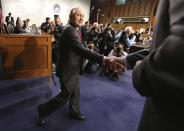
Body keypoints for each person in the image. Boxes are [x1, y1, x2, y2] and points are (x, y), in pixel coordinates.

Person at [111, 0, 184, 130]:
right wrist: (126, 60)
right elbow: (157, 49)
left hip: (171, 116)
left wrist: (141, 71)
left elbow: (177, 52)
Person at [37, 7, 114, 127]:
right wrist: (102, 58)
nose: (82, 18)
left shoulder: (75, 29)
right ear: (71, 16)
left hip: (74, 67)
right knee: (64, 96)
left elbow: (81, 46)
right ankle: (42, 110)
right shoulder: (69, 30)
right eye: (78, 15)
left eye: (83, 16)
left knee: (76, 92)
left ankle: (74, 112)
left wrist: (90, 50)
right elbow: (80, 49)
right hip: (67, 69)